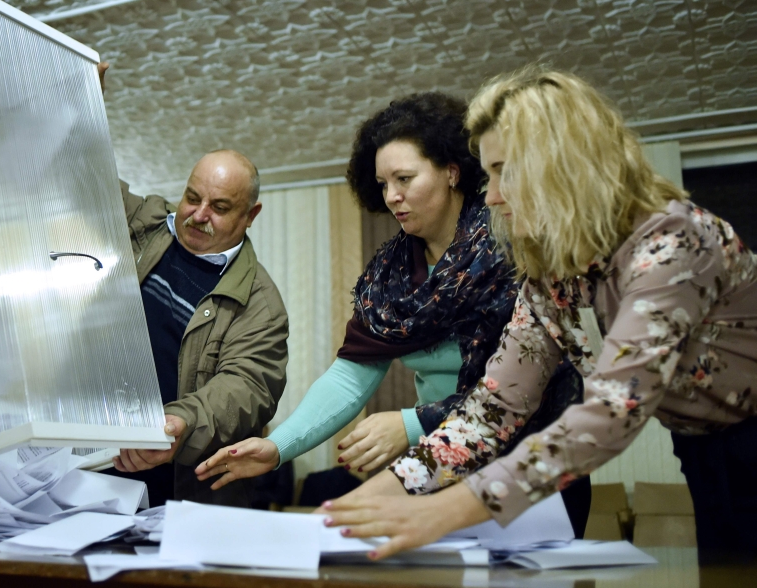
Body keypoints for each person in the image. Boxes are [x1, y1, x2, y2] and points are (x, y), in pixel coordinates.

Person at [320, 67, 757, 562]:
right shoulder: (554, 277)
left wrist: (443, 512)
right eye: (490, 173)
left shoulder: (672, 245)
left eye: (507, 171)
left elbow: (611, 412)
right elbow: (495, 410)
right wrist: (356, 506)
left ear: (567, 164)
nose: (491, 194)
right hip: (702, 447)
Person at [195, 93, 588, 528]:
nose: (392, 196)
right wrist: (278, 446)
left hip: (534, 463)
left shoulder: (514, 251)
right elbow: (350, 377)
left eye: (404, 178)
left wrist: (412, 424)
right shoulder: (390, 275)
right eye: (383, 184)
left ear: (452, 172)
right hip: (444, 461)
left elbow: (519, 388)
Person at [112, 146, 289, 508]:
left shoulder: (261, 305)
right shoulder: (141, 224)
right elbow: (83, 175)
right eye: (192, 198)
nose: (198, 215)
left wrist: (182, 420)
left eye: (220, 208)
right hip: (90, 458)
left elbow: (247, 386)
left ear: (250, 214)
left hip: (173, 484)